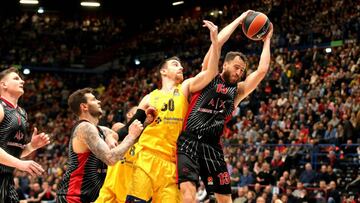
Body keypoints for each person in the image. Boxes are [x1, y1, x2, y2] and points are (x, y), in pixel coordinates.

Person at [176, 10, 273, 202]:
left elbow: (261, 71)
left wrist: (267, 39)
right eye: (236, 67)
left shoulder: (237, 91)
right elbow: (217, 43)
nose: (239, 72)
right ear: (225, 65)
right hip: (189, 141)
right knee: (188, 193)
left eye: (242, 70)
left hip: (213, 146)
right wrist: (239, 20)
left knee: (225, 199)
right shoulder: (208, 76)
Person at [125, 20, 221, 203]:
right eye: (176, 64)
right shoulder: (148, 98)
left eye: (181, 65)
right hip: (147, 157)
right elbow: (130, 129)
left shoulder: (185, 88)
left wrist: (215, 43)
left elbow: (211, 73)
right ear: (163, 71)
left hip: (172, 163)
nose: (181, 67)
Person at [56, 88, 144, 203]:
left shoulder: (101, 130)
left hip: (92, 197)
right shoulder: (84, 128)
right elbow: (111, 159)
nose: (99, 101)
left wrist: (144, 112)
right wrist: (131, 137)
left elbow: (125, 131)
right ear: (84, 107)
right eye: (93, 99)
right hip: (74, 197)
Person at [0, 67, 50, 203]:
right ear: (3, 84)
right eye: (16, 78)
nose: (22, 81)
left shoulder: (22, 113)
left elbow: (11, 153)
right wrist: (20, 164)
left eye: (21, 78)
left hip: (7, 181)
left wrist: (31, 146)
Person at [95, 106, 153, 203]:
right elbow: (114, 134)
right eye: (141, 114)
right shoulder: (118, 127)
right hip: (110, 192)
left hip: (131, 194)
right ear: (129, 115)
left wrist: (148, 123)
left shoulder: (147, 138)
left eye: (145, 115)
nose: (143, 117)